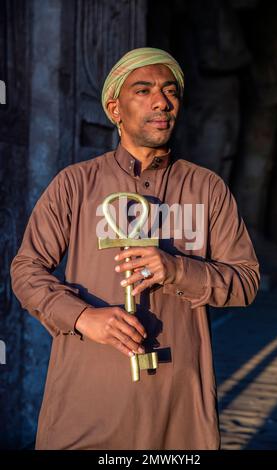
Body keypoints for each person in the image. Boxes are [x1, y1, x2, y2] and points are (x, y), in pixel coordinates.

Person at [10, 47, 259, 450]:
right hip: (87, 401)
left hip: (178, 409)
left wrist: (179, 270)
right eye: (143, 90)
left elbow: (246, 281)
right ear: (114, 108)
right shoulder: (75, 185)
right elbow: (26, 270)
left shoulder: (206, 189)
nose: (162, 102)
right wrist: (83, 316)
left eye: (170, 91)